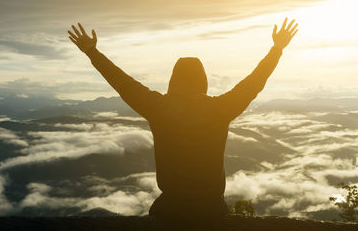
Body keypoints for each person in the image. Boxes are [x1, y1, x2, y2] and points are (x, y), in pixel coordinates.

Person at [68, 18, 298, 223]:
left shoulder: (158, 107)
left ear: (173, 80)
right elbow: (253, 83)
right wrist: (276, 49)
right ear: (203, 81)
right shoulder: (220, 108)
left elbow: (123, 83)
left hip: (170, 210)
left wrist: (92, 52)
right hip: (212, 212)